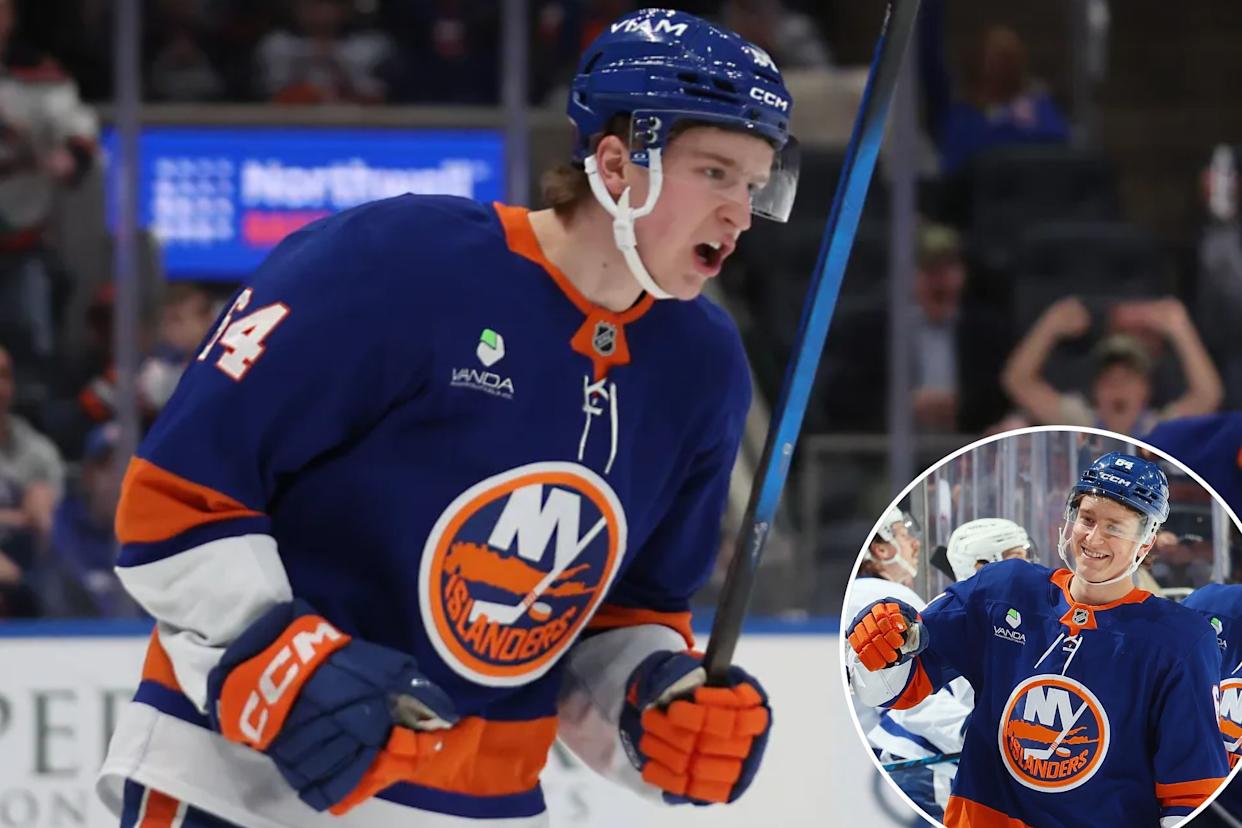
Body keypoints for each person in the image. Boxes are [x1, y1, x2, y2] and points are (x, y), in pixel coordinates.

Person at [97, 9, 797, 827]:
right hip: (244, 782)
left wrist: (655, 701)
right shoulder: (397, 264)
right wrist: (280, 657)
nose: (740, 214)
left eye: (754, 185)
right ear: (616, 163)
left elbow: (619, 614)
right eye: (714, 173)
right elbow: (177, 498)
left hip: (480, 805)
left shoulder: (701, 367)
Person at [847, 452, 1229, 826]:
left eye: (1115, 527)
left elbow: (1191, 795)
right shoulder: (1002, 589)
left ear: (1145, 543)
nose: (1094, 537)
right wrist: (881, 646)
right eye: (1087, 518)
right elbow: (892, 690)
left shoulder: (1181, 642)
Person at [0, 0, 98, 363]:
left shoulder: (39, 78)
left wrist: (70, 157)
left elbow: (78, 130)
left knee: (30, 339)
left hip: (19, 243)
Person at [1002, 295, 1223, 437]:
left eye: (1128, 379)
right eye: (1108, 381)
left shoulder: (1159, 429)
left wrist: (1179, 327)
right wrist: (1050, 324)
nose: (1117, 388)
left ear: (1145, 391)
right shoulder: (1079, 424)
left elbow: (1208, 396)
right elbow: (1018, 381)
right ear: (1095, 392)